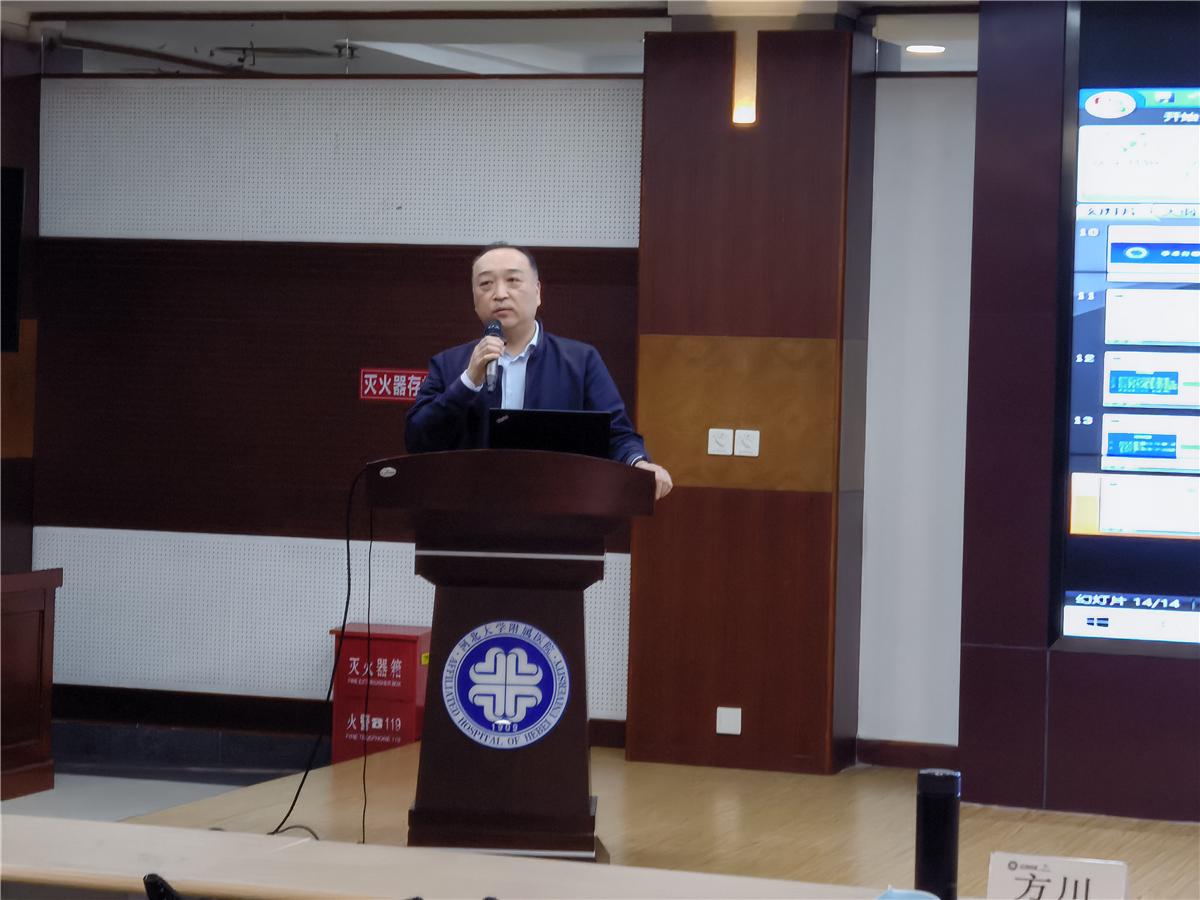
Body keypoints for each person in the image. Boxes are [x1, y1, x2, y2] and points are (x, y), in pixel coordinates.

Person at [405, 242, 673, 500]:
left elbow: (616, 434)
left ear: (538, 292)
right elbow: (417, 440)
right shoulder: (448, 364)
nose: (499, 294)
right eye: (485, 284)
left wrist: (639, 463)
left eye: (513, 280)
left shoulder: (580, 361)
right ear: (475, 300)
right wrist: (467, 382)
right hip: (466, 513)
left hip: (558, 512)